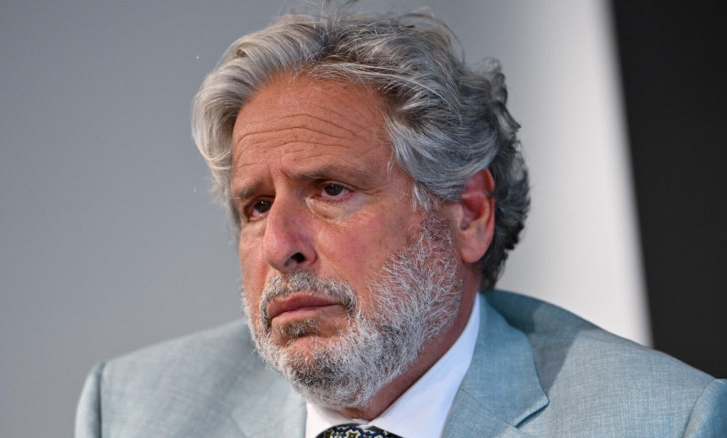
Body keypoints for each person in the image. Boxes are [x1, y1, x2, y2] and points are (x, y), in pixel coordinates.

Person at [76, 6, 726, 438]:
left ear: (468, 214)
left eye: (331, 190)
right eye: (257, 205)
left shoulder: (664, 423)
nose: (279, 246)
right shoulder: (134, 411)